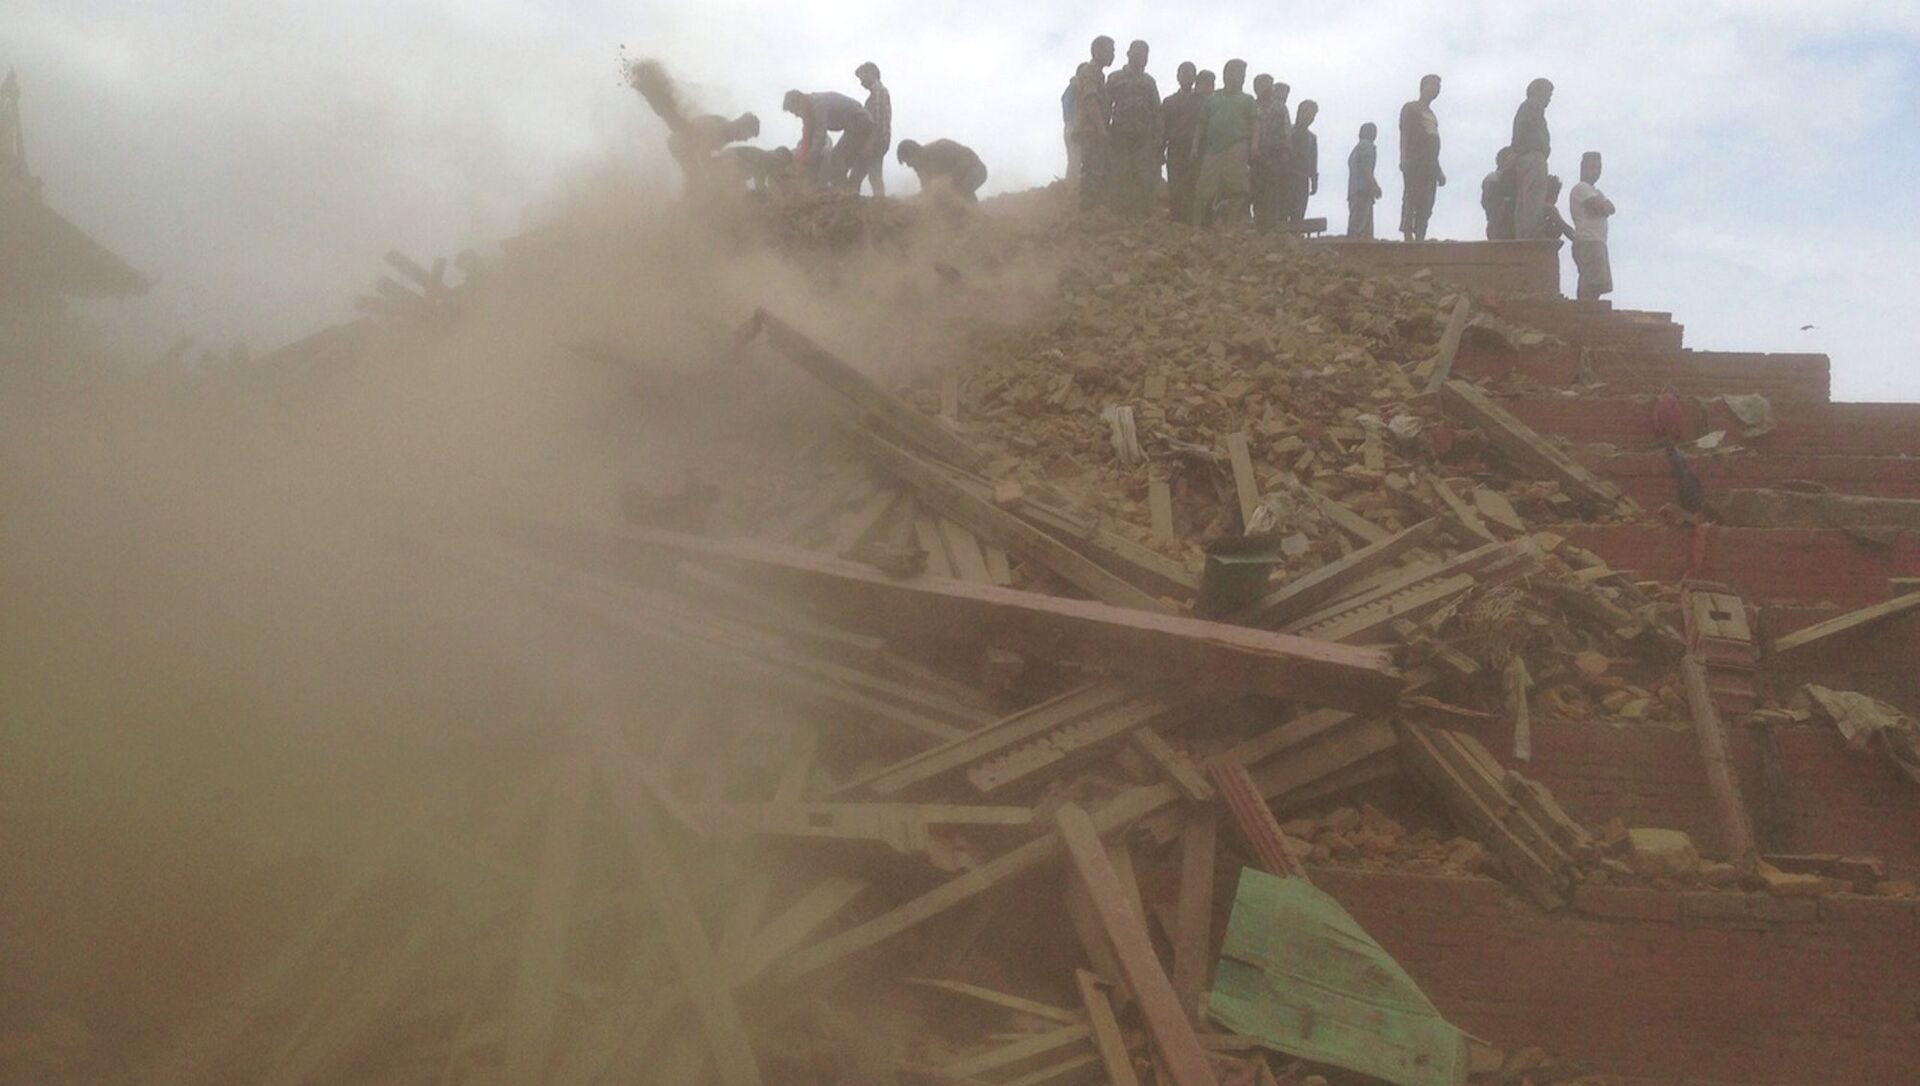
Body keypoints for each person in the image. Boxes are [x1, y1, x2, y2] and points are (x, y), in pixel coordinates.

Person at [1191, 59, 1258, 226]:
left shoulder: (1248, 100)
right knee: (1204, 188)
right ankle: (1197, 225)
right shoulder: (1212, 99)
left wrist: (1254, 145)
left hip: (1237, 145)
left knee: (1238, 188)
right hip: (1213, 147)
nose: (1242, 78)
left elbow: (1255, 123)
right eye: (1238, 74)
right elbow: (1201, 124)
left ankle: (1231, 225)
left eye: (1243, 75)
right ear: (1227, 75)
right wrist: (1195, 146)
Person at [1105, 40, 1162, 217]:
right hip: (1119, 134)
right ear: (1129, 54)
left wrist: (1158, 139)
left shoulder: (1149, 82)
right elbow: (1106, 106)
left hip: (1143, 137)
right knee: (1120, 174)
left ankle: (1141, 218)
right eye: (1137, 54)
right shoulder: (1115, 78)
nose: (1141, 58)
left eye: (1144, 55)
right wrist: (1104, 132)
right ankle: (1118, 216)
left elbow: (1157, 111)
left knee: (1142, 177)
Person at [782, 89, 877, 191]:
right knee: (837, 161)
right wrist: (803, 159)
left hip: (861, 122)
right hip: (854, 124)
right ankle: (843, 192)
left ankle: (843, 193)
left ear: (800, 102)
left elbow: (820, 136)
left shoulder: (818, 105)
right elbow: (807, 135)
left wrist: (808, 161)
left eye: (795, 111)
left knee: (836, 160)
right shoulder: (809, 108)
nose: (796, 115)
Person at [1070, 36, 1116, 210]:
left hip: (1093, 130)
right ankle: (1088, 212)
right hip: (1091, 131)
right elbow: (1090, 101)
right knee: (1093, 171)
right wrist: (1101, 128)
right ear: (1097, 51)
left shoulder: (1098, 73)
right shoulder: (1090, 72)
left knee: (1097, 170)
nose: (1112, 55)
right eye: (1109, 51)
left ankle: (1092, 211)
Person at [1398, 74, 1444, 241]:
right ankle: (1408, 232)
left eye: (1438, 87)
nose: (1436, 90)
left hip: (1430, 163)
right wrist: (1404, 157)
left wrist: (1438, 170)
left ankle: (1420, 233)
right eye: (1433, 85)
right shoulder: (1411, 108)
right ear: (1423, 86)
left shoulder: (1432, 115)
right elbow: (1404, 134)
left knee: (1427, 199)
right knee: (1412, 196)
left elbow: (1434, 145)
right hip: (1415, 159)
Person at [1569, 151, 1616, 300]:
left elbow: (1611, 208)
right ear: (1584, 167)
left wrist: (1604, 207)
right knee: (1590, 283)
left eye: (1599, 168)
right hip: (1588, 241)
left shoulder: (1596, 191)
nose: (1597, 171)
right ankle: (1585, 309)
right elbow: (1599, 207)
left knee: (1598, 283)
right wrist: (1603, 207)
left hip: (1597, 241)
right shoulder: (1581, 188)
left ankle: (1589, 308)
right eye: (1593, 167)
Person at [1511, 77, 1554, 238]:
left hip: (1526, 156)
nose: (1549, 99)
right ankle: (1531, 232)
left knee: (1526, 196)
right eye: (1548, 94)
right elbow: (1532, 129)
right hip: (1533, 154)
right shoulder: (1533, 105)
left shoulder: (1526, 107)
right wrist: (1543, 146)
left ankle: (1524, 232)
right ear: (1538, 91)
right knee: (1533, 196)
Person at [1160, 62, 1203, 224]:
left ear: (1195, 78)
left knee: (1193, 183)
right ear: (1178, 77)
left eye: (1190, 74)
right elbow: (1163, 127)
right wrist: (1160, 149)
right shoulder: (1169, 101)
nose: (1187, 77)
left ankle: (1190, 220)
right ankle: (1176, 218)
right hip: (1175, 146)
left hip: (1196, 147)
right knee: (1175, 183)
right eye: (1184, 74)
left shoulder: (1202, 101)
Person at [1250, 75, 1291, 232]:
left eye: (1268, 85)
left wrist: (1286, 151)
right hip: (1256, 155)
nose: (1265, 88)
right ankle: (1259, 224)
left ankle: (1271, 226)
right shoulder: (1252, 106)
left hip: (1275, 154)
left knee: (1272, 190)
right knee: (1257, 190)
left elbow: (1286, 129)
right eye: (1261, 85)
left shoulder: (1280, 107)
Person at [897, 138, 990, 201]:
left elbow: (966, 160)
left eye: (907, 161)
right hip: (961, 177)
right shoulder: (919, 167)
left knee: (956, 195)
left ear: (915, 153)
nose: (908, 165)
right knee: (951, 194)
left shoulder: (939, 148)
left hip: (976, 170)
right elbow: (926, 189)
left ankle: (974, 218)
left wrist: (948, 184)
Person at [855, 62, 892, 197]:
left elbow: (876, 122)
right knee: (871, 176)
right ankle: (881, 203)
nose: (861, 83)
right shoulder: (877, 93)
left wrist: (870, 143)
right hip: (877, 141)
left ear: (872, 73)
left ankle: (880, 203)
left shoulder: (879, 92)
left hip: (876, 142)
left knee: (863, 176)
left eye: (862, 77)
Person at [1281, 99, 1319, 224]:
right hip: (1286, 177)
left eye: (1313, 116)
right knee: (1282, 213)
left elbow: (1313, 160)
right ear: (1300, 112)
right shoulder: (1287, 132)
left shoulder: (1311, 138)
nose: (1311, 119)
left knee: (1298, 215)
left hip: (1302, 180)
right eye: (1309, 114)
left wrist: (1314, 179)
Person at [1346, 122, 1382, 238]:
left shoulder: (1355, 150)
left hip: (1353, 191)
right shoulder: (1368, 147)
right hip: (1363, 191)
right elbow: (1366, 169)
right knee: (1362, 228)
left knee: (1355, 223)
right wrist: (1374, 185)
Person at [715, 145, 795, 192]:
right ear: (779, 159)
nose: (782, 168)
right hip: (728, 161)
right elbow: (760, 184)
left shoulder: (765, 158)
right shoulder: (767, 160)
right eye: (784, 165)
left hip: (727, 160)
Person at [1481, 147, 1516, 240]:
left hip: (1515, 227)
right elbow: (1489, 204)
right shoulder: (1493, 178)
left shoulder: (1518, 178)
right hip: (1499, 228)